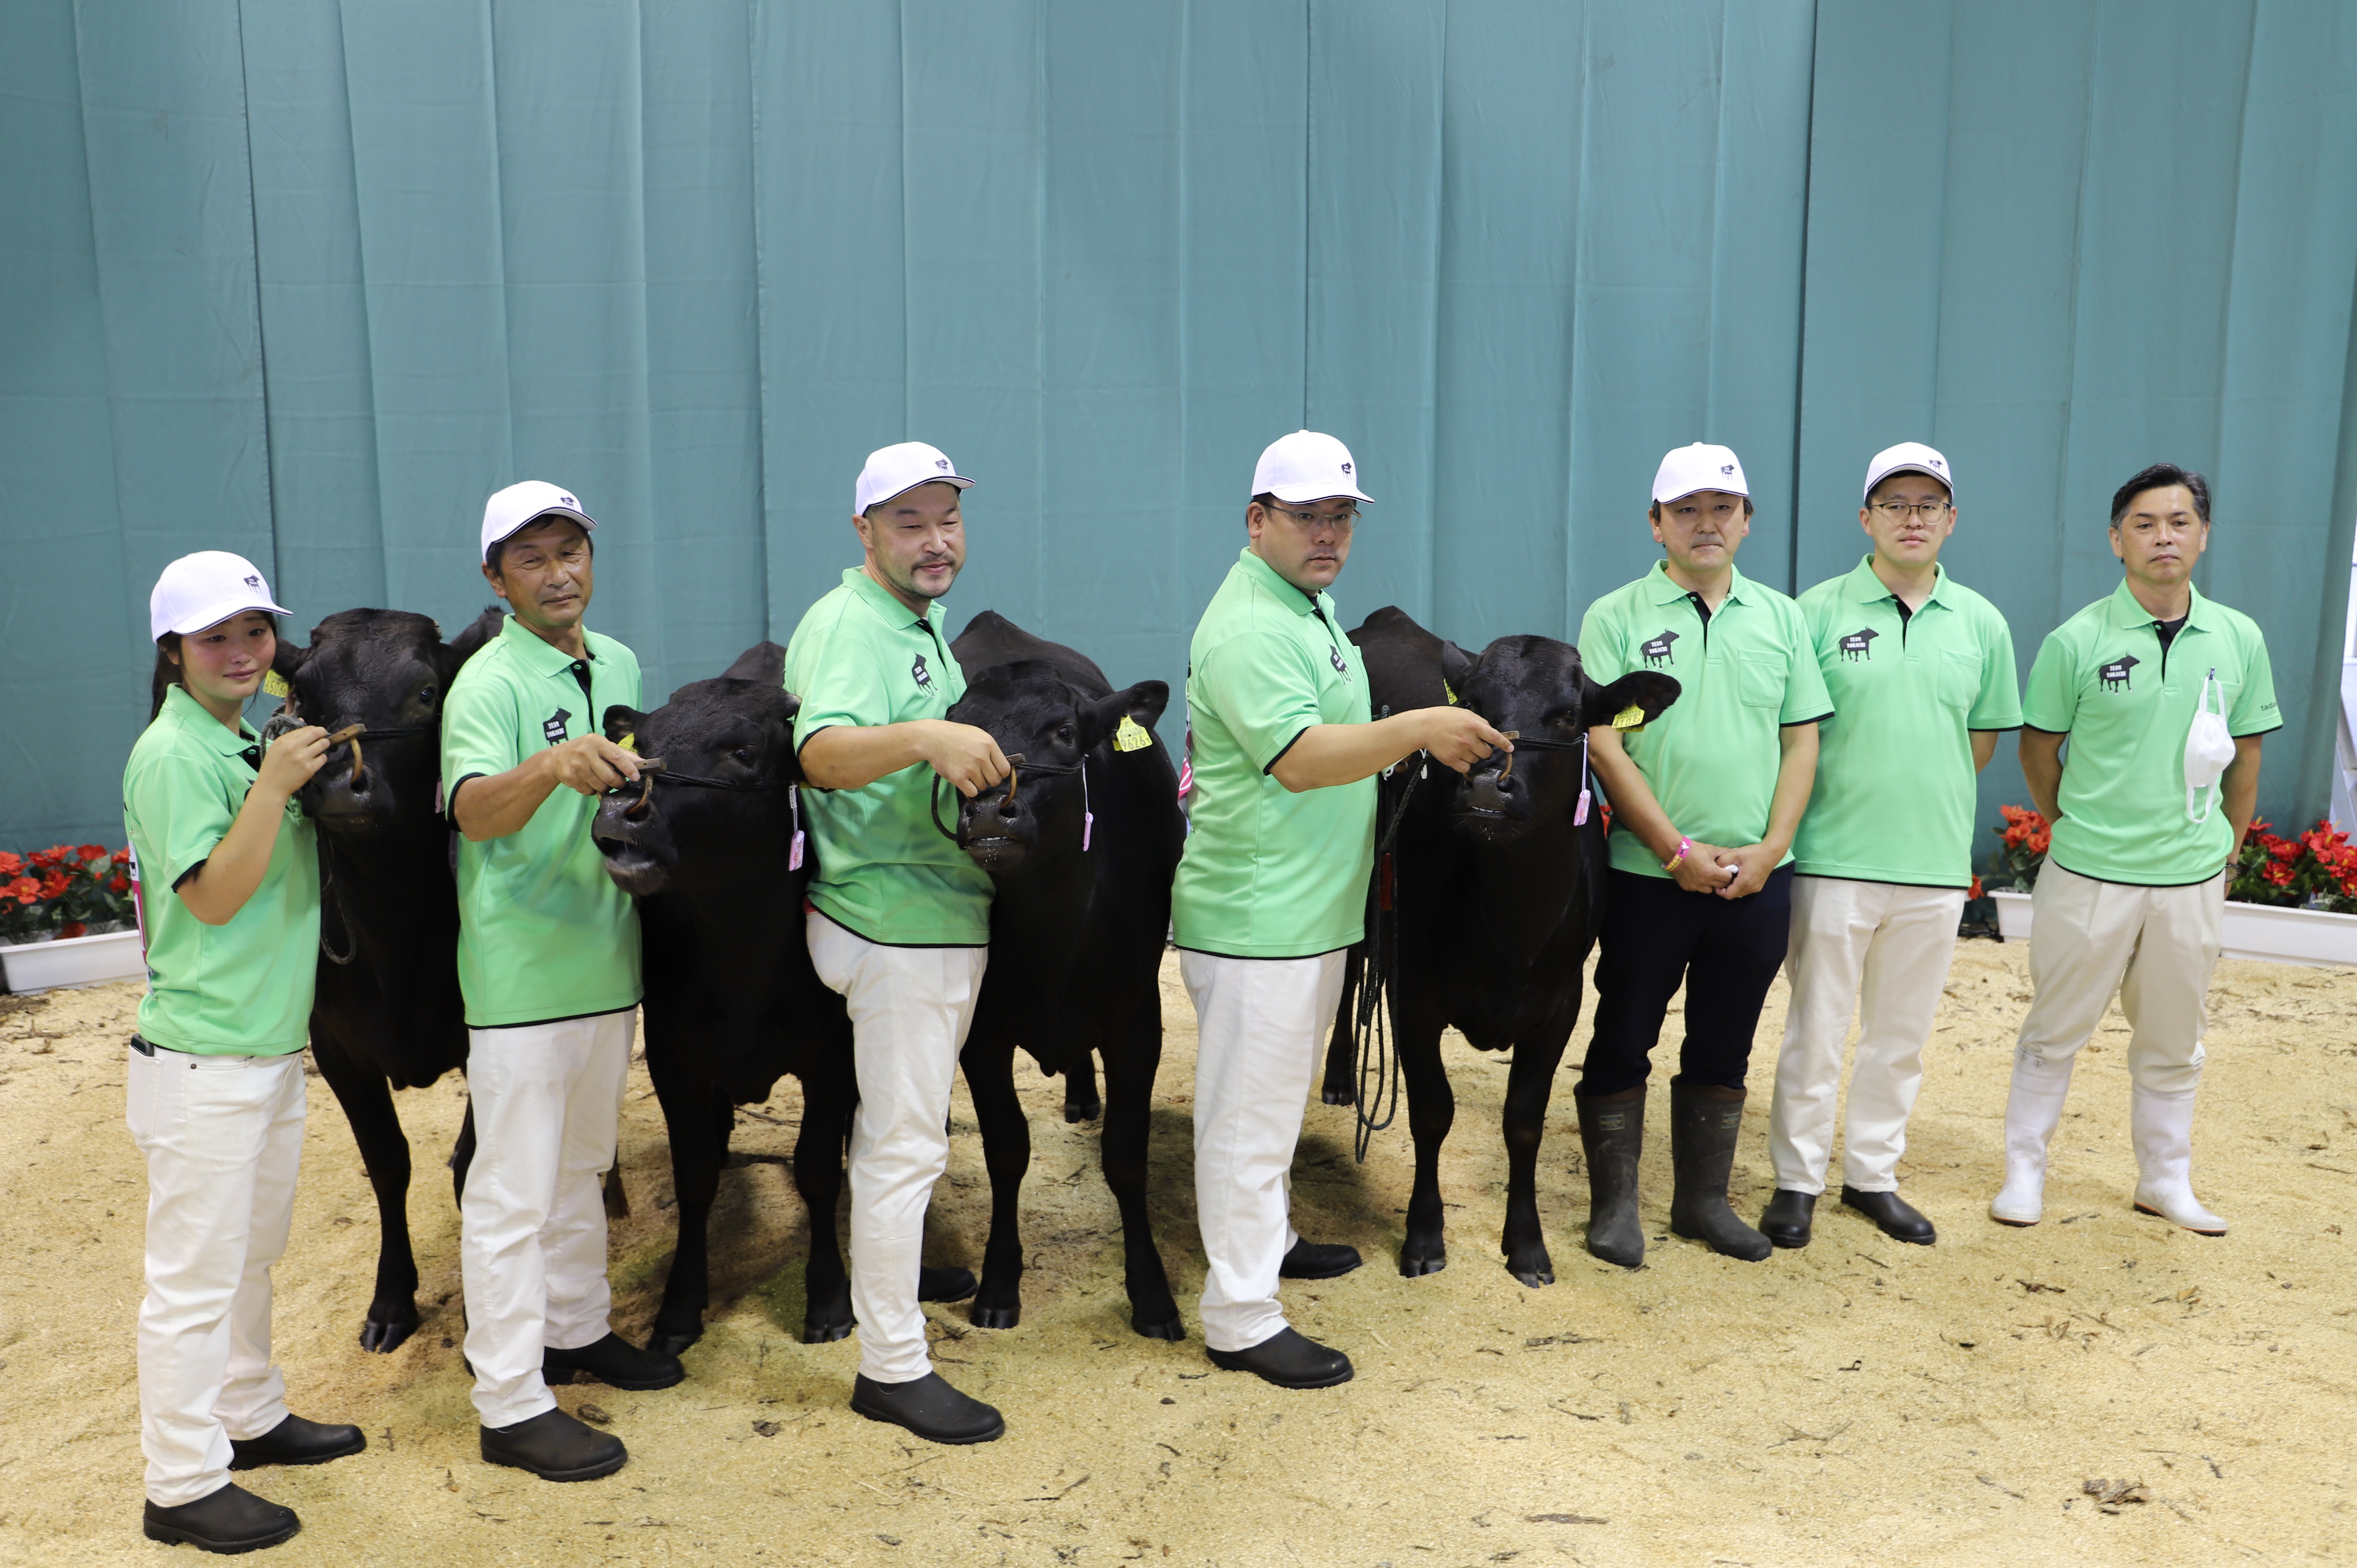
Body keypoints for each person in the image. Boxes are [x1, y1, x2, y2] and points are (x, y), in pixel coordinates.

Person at [1172, 431, 1504, 1389]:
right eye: (1307, 515)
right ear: (1257, 520)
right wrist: (1418, 728)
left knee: (1268, 1117)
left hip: (1308, 913)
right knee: (1245, 1122)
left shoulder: (1305, 607)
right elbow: (1301, 758)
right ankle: (1239, 1318)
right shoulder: (1249, 627)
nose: (1328, 533)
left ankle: (1267, 1241)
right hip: (1258, 917)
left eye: (1341, 517)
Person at [124, 552, 361, 1554]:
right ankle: (177, 1485)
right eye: (215, 636)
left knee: (251, 1259)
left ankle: (249, 1414)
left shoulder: (233, 742)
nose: (241, 652)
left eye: (255, 632)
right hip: (203, 1061)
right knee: (192, 1280)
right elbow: (213, 899)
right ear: (173, 651)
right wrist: (275, 787)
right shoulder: (178, 757)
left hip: (261, 1050)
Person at [442, 481, 673, 1484]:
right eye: (530, 558)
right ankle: (509, 1399)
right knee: (512, 1193)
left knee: (582, 1168)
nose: (558, 573)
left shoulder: (616, 660)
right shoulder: (486, 684)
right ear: (496, 579)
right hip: (522, 975)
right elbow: (473, 812)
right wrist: (553, 766)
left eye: (570, 550)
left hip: (604, 962)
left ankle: (577, 1327)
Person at [783, 442, 1011, 1445]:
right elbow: (822, 753)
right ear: (864, 530)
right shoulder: (848, 623)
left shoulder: (917, 622)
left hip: (928, 909)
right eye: (910, 522)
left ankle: (892, 1295)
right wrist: (929, 738)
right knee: (904, 1146)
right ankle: (893, 1367)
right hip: (892, 918)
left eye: (947, 519)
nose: (935, 540)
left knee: (909, 1143)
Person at [1991, 463, 2277, 1234]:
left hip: (2188, 880)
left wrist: (2224, 855)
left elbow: (2246, 761)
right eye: (2145, 524)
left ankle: (2164, 1179)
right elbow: (2038, 751)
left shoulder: (2238, 637)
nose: (2163, 537)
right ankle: (2025, 1171)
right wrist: (2077, 827)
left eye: (2179, 522)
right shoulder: (2076, 640)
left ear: (2204, 535)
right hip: (2089, 873)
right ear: (2116, 539)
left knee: (2175, 1040)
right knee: (2055, 1030)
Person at [1573, 442, 1832, 1267]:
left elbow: (1801, 742)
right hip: (1651, 874)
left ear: (1747, 522)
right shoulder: (1615, 616)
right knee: (1623, 1031)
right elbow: (1605, 747)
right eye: (1685, 510)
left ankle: (1702, 1201)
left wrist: (1772, 850)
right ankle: (1615, 1205)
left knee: (1726, 1039)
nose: (1706, 523)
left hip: (1755, 879)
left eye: (1723, 508)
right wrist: (1674, 848)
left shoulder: (1782, 619)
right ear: (1657, 526)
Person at [1763, 444, 2020, 1250]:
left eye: (1929, 504)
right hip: (1834, 857)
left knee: (1899, 1038)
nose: (1913, 518)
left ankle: (1872, 1176)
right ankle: (1796, 1180)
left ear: (1952, 520)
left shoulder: (1981, 622)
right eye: (1896, 503)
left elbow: (1977, 741)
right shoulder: (1815, 614)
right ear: (1866, 518)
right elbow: (1790, 735)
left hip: (1933, 867)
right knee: (1815, 1028)